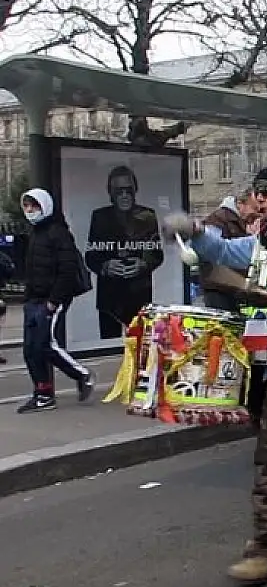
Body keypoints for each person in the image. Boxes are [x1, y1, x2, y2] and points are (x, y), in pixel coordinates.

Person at [163, 166, 267, 583]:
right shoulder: (266, 237)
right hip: (265, 354)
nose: (259, 198)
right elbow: (226, 253)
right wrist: (195, 231)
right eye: (256, 191)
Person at [17, 188, 95, 414]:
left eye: (35, 206)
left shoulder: (57, 233)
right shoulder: (35, 233)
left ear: (46, 206)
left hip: (51, 300)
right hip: (33, 300)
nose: (30, 210)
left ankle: (82, 375)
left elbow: (67, 270)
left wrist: (53, 301)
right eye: (27, 206)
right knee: (31, 349)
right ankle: (42, 393)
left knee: (45, 344)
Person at [85, 165, 165, 339]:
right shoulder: (100, 217)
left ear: (135, 190)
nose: (124, 196)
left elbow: (157, 253)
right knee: (108, 346)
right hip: (109, 299)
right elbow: (91, 255)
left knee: (140, 347)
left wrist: (144, 264)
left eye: (128, 190)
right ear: (110, 193)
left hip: (139, 295)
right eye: (118, 191)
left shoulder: (148, 216)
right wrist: (105, 266)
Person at [200, 188, 258, 311]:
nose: (257, 213)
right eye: (254, 208)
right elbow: (211, 251)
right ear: (240, 204)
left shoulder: (242, 221)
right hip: (220, 290)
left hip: (235, 288)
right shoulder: (218, 219)